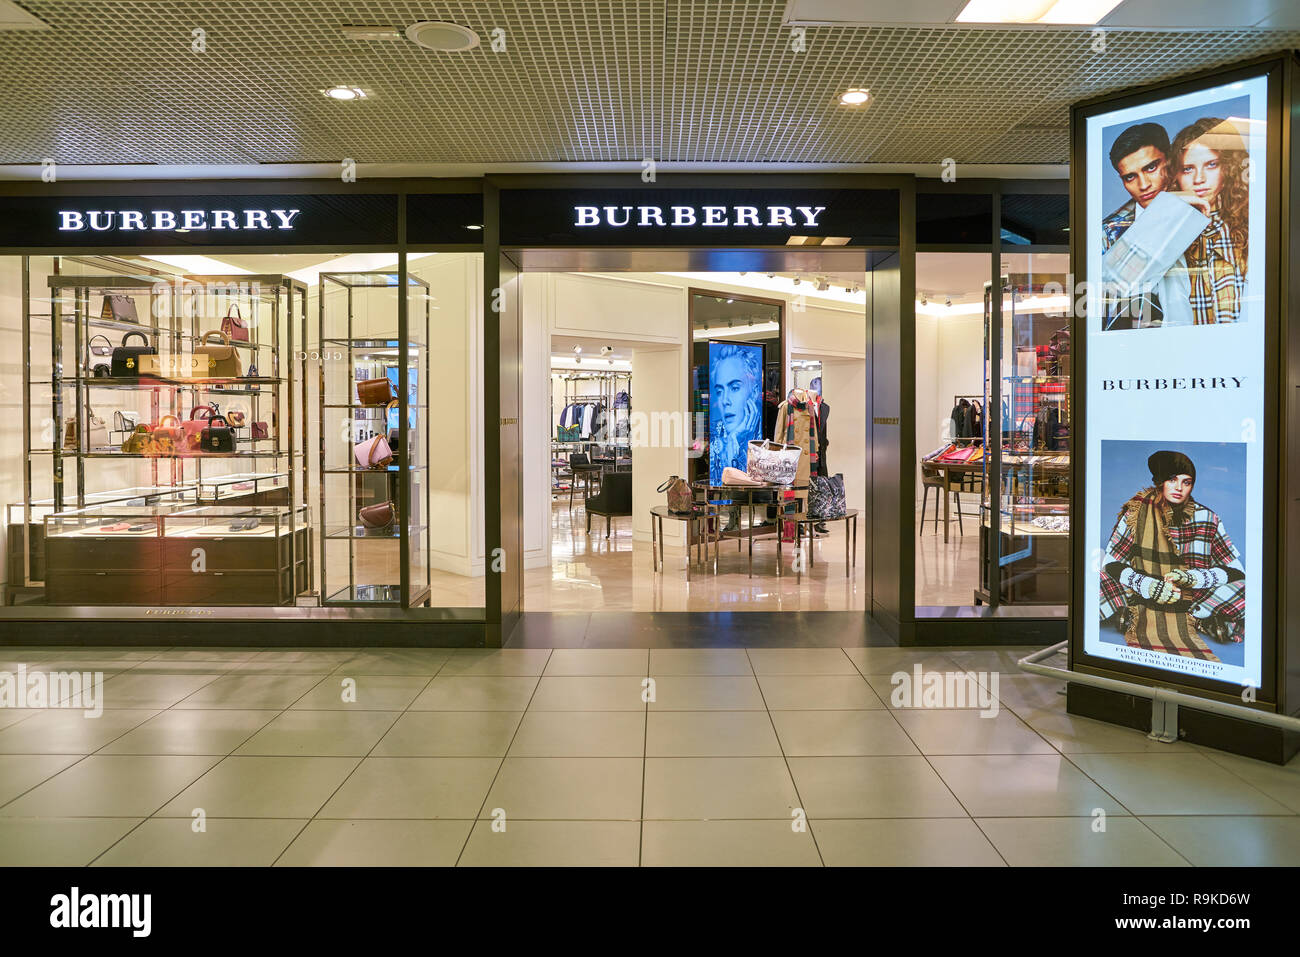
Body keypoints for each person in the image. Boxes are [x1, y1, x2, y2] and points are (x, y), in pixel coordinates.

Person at [1099, 450, 1245, 661]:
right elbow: (1112, 562)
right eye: (1172, 479)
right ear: (1160, 481)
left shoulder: (1207, 518)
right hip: (1141, 591)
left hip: (1192, 595)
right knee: (1095, 580)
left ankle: (1192, 616)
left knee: (1248, 590)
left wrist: (1193, 578)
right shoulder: (1135, 513)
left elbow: (1236, 570)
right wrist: (1147, 585)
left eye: (1187, 482)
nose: (1179, 488)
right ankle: (1134, 611)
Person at [1100, 122, 1187, 329]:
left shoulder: (1201, 213)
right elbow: (1110, 291)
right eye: (1130, 177)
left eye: (1151, 168)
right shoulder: (1108, 233)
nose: (1144, 184)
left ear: (1170, 160)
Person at [1168, 117, 1249, 324]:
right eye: (1188, 169)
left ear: (1228, 168)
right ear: (1175, 175)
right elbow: (1116, 281)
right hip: (1184, 351)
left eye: (1211, 165)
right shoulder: (1169, 229)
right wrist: (1165, 208)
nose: (1199, 179)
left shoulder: (1250, 223)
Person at [708, 342, 763, 486]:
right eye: (720, 391)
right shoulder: (714, 437)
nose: (725, 400)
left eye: (735, 388)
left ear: (755, 391)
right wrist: (734, 439)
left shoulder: (762, 439)